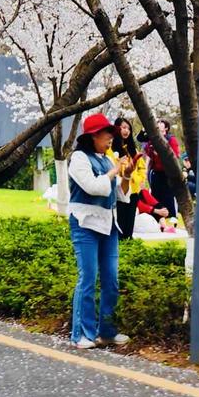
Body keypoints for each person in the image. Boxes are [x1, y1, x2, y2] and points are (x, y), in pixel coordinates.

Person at [66, 111, 129, 350]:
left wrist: (126, 176)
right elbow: (93, 187)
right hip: (85, 223)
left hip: (108, 224)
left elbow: (119, 194)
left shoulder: (108, 159)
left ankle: (107, 331)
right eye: (106, 134)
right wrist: (114, 172)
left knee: (111, 279)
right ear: (92, 136)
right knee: (88, 279)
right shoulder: (79, 159)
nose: (110, 138)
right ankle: (81, 334)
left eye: (110, 134)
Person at [109, 117, 146, 241]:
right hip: (119, 190)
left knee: (130, 222)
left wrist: (140, 179)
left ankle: (129, 243)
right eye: (123, 127)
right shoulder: (110, 149)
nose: (127, 131)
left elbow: (142, 167)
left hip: (133, 190)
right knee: (120, 221)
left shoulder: (132, 149)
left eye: (129, 128)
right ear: (116, 128)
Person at [143, 119, 181, 221]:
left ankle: (171, 217)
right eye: (157, 124)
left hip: (168, 173)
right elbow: (147, 151)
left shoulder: (171, 139)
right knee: (155, 195)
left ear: (166, 128)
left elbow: (175, 156)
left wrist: (160, 154)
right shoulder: (152, 140)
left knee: (168, 196)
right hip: (156, 173)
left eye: (161, 124)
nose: (158, 125)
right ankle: (157, 218)